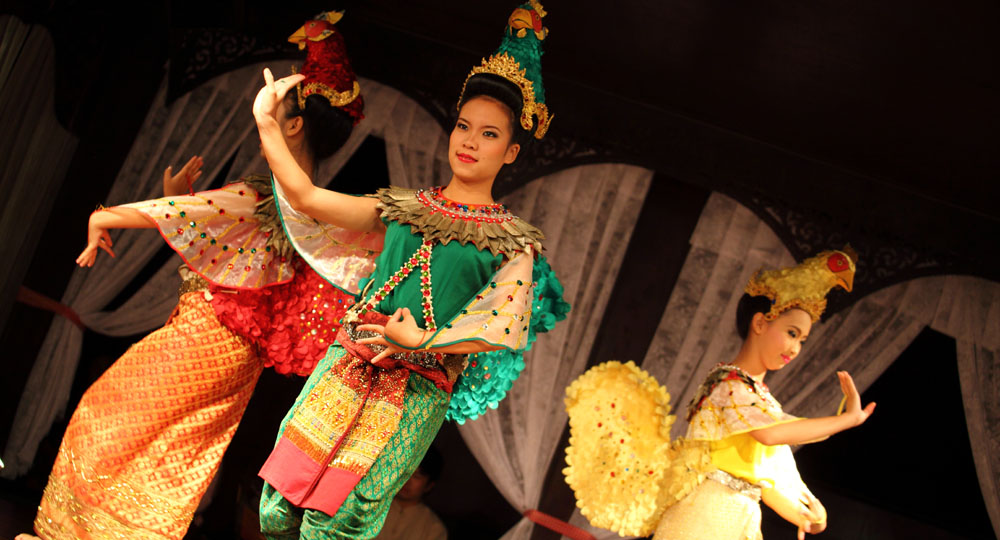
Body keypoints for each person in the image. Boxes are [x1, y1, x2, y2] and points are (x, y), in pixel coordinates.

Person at [17, 11, 364, 540]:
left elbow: (187, 215)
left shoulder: (269, 196)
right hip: (232, 360)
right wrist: (176, 200)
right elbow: (213, 246)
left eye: (277, 106)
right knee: (165, 452)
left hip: (205, 343)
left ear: (292, 125)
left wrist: (105, 216)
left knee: (106, 418)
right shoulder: (305, 210)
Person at [253, 2, 568, 538]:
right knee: (276, 509)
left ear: (512, 151)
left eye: (489, 134)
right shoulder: (402, 206)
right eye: (464, 126)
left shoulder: (513, 242)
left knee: (341, 520)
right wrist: (266, 123)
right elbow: (305, 196)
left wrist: (422, 339)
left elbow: (502, 325)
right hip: (349, 361)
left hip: (417, 387)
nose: (469, 141)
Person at [564, 248, 875, 540]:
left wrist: (809, 517)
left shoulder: (764, 403)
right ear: (760, 322)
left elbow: (768, 478)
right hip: (704, 513)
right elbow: (771, 434)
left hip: (740, 519)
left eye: (802, 340)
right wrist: (846, 421)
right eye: (791, 333)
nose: (795, 349)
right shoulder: (728, 385)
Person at [374, 446, 447, 540]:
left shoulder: (433, 527)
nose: (407, 480)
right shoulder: (373, 508)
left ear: (429, 485)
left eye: (417, 476)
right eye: (405, 472)